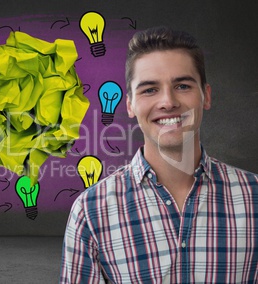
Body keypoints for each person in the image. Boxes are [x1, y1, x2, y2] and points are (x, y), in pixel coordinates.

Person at [60, 26, 258, 283]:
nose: (168, 101)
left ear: (205, 96)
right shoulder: (91, 212)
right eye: (149, 90)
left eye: (183, 85)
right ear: (130, 104)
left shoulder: (253, 199)